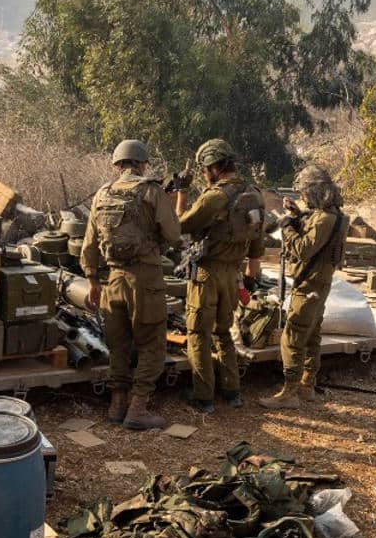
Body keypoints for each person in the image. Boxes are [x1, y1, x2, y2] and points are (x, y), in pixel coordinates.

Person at [80, 139, 181, 430]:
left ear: (118, 164)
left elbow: (89, 245)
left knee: (119, 345)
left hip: (113, 280)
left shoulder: (102, 195)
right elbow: (174, 234)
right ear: (142, 163)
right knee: (151, 344)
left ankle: (117, 405)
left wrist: (92, 282)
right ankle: (138, 408)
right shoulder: (151, 190)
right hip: (146, 279)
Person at [175, 139, 264, 413]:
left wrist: (181, 192)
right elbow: (257, 249)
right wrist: (248, 280)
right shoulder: (255, 196)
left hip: (207, 274)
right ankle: (232, 391)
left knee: (198, 333)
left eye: (205, 169)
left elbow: (181, 224)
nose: (204, 174)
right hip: (232, 275)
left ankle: (203, 396)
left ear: (214, 167)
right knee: (224, 332)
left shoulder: (215, 197)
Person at [260, 165, 346, 410]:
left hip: (308, 285)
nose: (303, 197)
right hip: (319, 284)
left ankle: (290, 392)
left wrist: (286, 226)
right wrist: (296, 215)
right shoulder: (334, 216)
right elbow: (315, 236)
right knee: (312, 335)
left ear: (316, 191)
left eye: (305, 193)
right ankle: (308, 385)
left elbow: (303, 249)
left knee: (293, 336)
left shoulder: (325, 219)